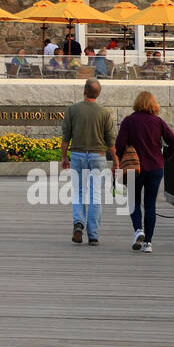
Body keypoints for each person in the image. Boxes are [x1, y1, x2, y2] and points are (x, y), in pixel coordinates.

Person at [115, 90, 174, 253]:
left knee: (134, 202)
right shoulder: (158, 122)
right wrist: (163, 158)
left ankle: (138, 230)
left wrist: (123, 156)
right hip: (155, 168)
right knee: (150, 204)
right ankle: (148, 243)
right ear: (153, 104)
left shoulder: (129, 121)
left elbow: (119, 144)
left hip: (133, 168)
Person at [60, 79, 117, 246]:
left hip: (77, 154)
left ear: (84, 91)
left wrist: (64, 157)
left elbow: (66, 137)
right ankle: (93, 235)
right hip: (97, 156)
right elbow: (111, 141)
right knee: (95, 195)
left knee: (78, 192)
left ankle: (78, 224)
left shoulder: (72, 110)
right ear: (98, 94)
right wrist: (116, 160)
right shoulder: (104, 113)